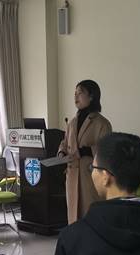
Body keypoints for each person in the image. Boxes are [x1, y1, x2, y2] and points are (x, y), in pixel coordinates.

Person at [58, 80, 112, 224]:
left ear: (92, 96)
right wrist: (61, 153)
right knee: (73, 217)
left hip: (90, 176)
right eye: (75, 93)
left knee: (90, 215)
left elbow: (106, 150)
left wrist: (85, 151)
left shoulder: (102, 123)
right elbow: (65, 142)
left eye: (80, 93)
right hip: (72, 175)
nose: (75, 97)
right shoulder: (72, 122)